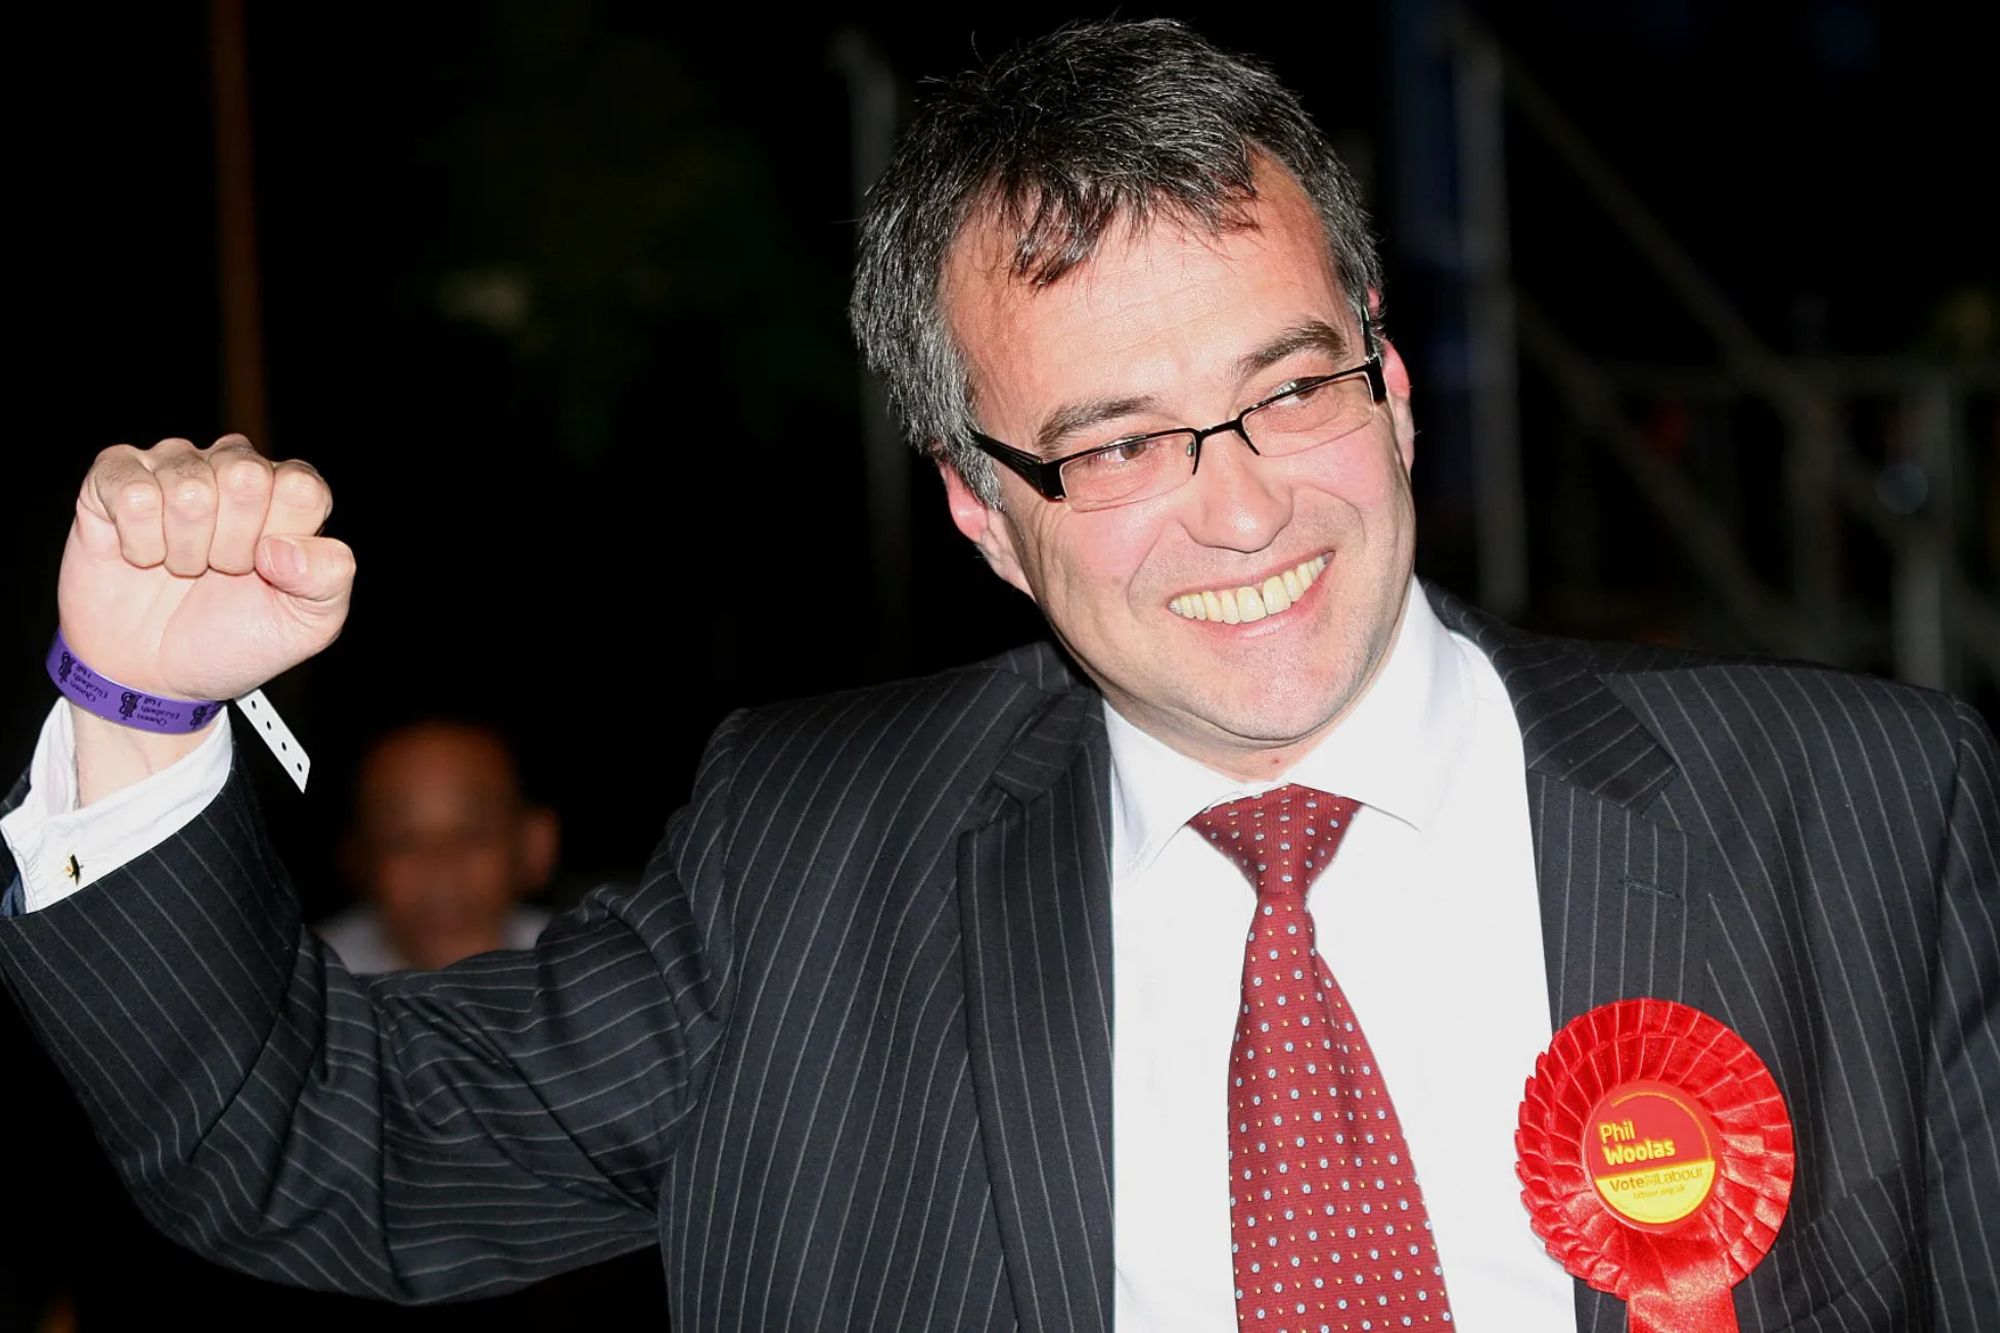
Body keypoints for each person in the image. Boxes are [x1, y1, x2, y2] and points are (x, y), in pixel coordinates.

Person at [0, 19, 1992, 1333]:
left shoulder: (1864, 815)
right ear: (978, 509)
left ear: (1386, 388)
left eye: (1283, 388)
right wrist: (140, 715)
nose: (1235, 511)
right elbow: (310, 1152)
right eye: (1117, 443)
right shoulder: (809, 868)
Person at [317, 719, 557, 975]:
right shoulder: (307, 989)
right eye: (404, 840)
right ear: (358, 858)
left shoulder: (583, 975)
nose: (442, 864)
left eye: (474, 833)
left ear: (534, 845)